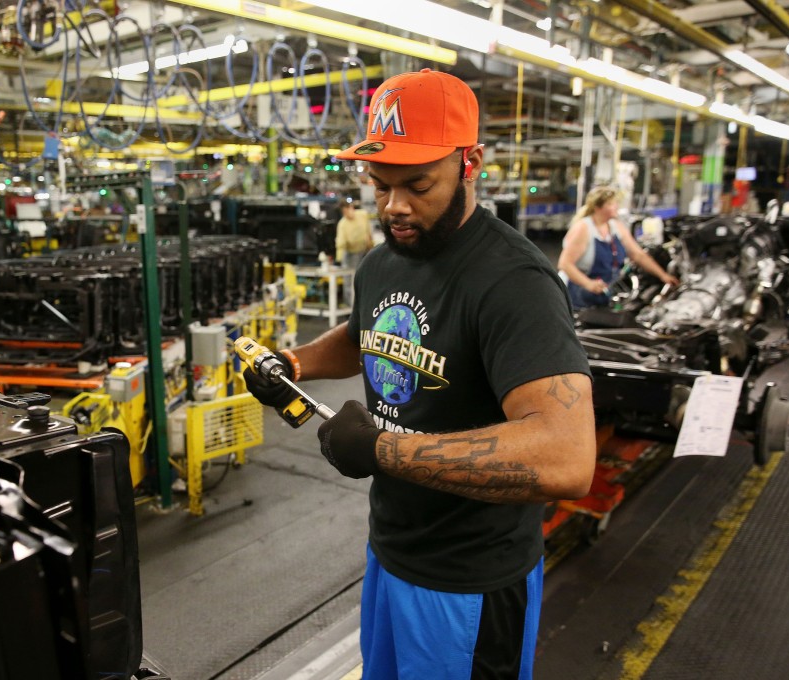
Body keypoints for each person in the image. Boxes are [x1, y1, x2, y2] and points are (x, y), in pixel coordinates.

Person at [244, 69, 596, 679]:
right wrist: (294, 363)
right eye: (379, 186)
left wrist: (384, 450)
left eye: (417, 184)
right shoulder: (385, 260)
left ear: (471, 162)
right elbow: (364, 337)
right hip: (393, 552)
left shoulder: (514, 284)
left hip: (471, 582)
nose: (394, 206)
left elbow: (566, 457)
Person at [557, 185, 679, 309]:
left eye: (616, 203)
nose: (616, 206)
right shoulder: (583, 228)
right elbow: (565, 264)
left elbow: (638, 255)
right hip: (577, 293)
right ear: (598, 207)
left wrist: (663, 275)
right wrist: (588, 284)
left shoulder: (616, 226)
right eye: (611, 204)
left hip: (602, 292)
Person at [335, 197, 373, 307]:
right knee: (349, 281)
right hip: (350, 254)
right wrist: (338, 259)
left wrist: (371, 246)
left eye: (346, 210)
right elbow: (340, 243)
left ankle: (364, 305)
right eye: (343, 212)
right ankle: (350, 307)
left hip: (364, 251)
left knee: (365, 279)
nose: (345, 213)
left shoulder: (363, 215)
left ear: (351, 207)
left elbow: (368, 231)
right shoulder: (343, 224)